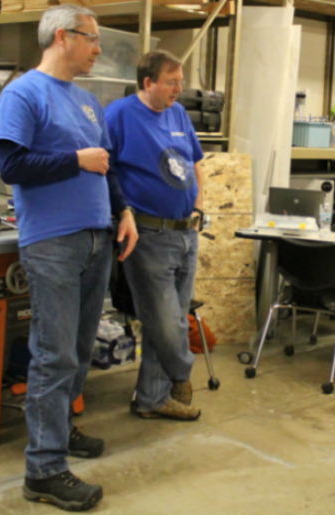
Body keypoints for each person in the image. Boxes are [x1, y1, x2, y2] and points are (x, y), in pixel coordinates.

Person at [0, 4, 138, 512]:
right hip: (52, 242)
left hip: (96, 237)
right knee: (53, 356)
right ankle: (44, 469)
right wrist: (76, 160)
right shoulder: (22, 94)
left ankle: (60, 431)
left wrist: (123, 212)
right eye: (93, 39)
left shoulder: (87, 102)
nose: (100, 49)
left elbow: (106, 164)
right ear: (61, 36)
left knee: (76, 350)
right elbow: (11, 165)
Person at [104, 50, 205, 421]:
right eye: (171, 81)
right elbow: (106, 170)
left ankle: (152, 399)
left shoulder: (177, 113)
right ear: (148, 83)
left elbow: (195, 161)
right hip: (147, 234)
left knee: (174, 319)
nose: (179, 88)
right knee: (166, 322)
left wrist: (198, 207)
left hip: (185, 233)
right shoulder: (119, 115)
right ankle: (181, 372)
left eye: (181, 80)